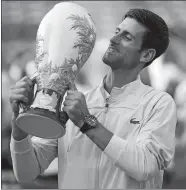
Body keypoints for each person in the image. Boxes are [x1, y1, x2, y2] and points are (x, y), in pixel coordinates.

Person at [9, 8, 177, 189]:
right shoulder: (76, 103)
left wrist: (87, 123)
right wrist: (19, 127)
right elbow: (26, 173)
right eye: (117, 32)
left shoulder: (159, 104)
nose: (113, 40)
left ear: (147, 55)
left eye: (127, 37)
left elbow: (144, 167)